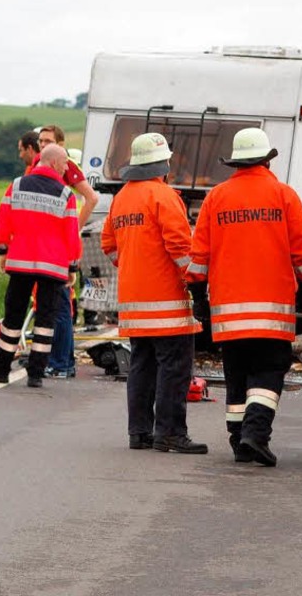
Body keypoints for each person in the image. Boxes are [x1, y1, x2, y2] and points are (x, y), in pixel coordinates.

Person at [186, 128, 302, 466]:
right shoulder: (283, 195)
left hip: (229, 312)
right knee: (268, 371)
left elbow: (199, 252)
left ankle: (238, 441)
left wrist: (198, 293)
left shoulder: (217, 197)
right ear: (266, 161)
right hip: (272, 311)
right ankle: (255, 435)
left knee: (237, 376)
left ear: (235, 163)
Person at [101, 132, 207, 454]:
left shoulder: (122, 198)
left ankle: (139, 433)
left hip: (134, 304)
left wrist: (136, 266)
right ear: (163, 164)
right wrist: (196, 282)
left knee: (142, 367)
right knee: (174, 368)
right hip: (168, 303)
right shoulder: (163, 195)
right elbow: (180, 248)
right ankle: (171, 433)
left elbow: (108, 244)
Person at [0, 144, 81, 388]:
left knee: (13, 317)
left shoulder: (17, 185)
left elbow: (3, 221)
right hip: (53, 267)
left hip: (20, 262)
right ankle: (36, 373)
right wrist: (72, 267)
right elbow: (71, 236)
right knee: (46, 319)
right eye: (65, 162)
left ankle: (0, 369)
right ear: (55, 163)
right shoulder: (66, 195)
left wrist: (3, 249)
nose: (67, 167)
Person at [37, 125, 98, 378]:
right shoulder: (40, 167)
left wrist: (74, 227)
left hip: (59, 245)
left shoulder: (66, 166)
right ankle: (62, 360)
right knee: (53, 303)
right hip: (45, 245)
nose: (42, 145)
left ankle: (61, 361)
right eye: (40, 141)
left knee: (60, 304)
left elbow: (91, 198)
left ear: (60, 144)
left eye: (48, 140)